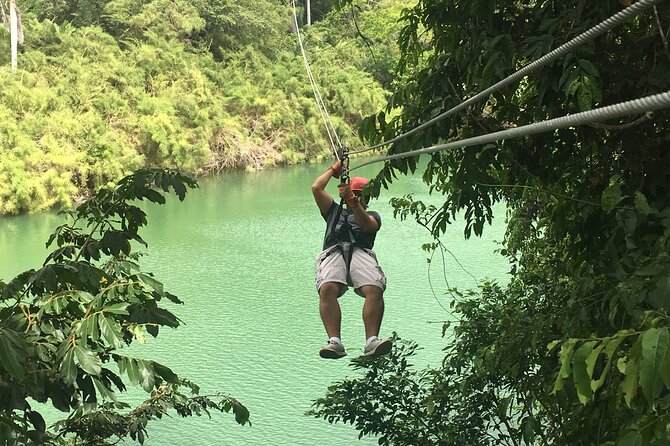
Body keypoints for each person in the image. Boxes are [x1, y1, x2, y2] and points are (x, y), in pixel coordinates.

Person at [311, 160, 392, 359]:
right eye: (356, 194)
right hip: (335, 250)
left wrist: (353, 203)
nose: (358, 198)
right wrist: (333, 170)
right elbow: (316, 188)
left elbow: (367, 226)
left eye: (360, 195)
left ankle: (372, 340)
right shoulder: (333, 211)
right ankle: (334, 342)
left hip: (360, 251)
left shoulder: (372, 215)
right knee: (327, 287)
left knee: (374, 287)